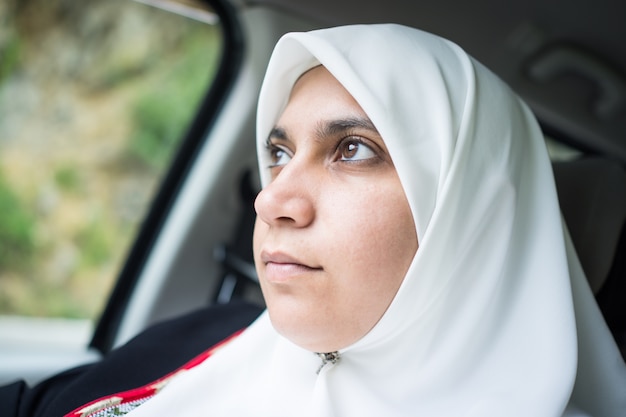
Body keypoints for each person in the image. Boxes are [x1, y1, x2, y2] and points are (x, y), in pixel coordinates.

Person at [3, 24, 626, 417]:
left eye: (352, 149)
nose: (272, 200)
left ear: (470, 215)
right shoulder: (213, 335)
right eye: (279, 153)